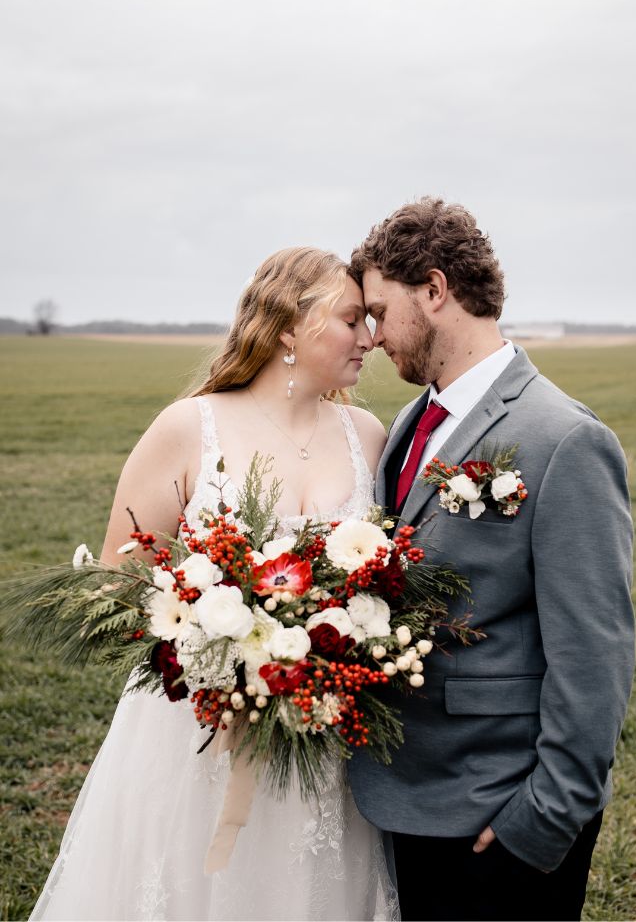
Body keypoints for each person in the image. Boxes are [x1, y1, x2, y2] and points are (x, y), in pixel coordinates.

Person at [30, 247, 398, 922]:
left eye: (371, 320)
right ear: (291, 325)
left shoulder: (369, 437)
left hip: (320, 738)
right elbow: (119, 577)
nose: (370, 338)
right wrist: (217, 644)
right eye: (352, 320)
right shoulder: (187, 427)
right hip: (195, 733)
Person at [347, 198, 635, 922]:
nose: (374, 336)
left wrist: (541, 819)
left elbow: (595, 653)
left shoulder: (564, 439)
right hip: (408, 797)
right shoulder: (414, 422)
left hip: (498, 818)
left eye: (380, 311)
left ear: (436, 291)